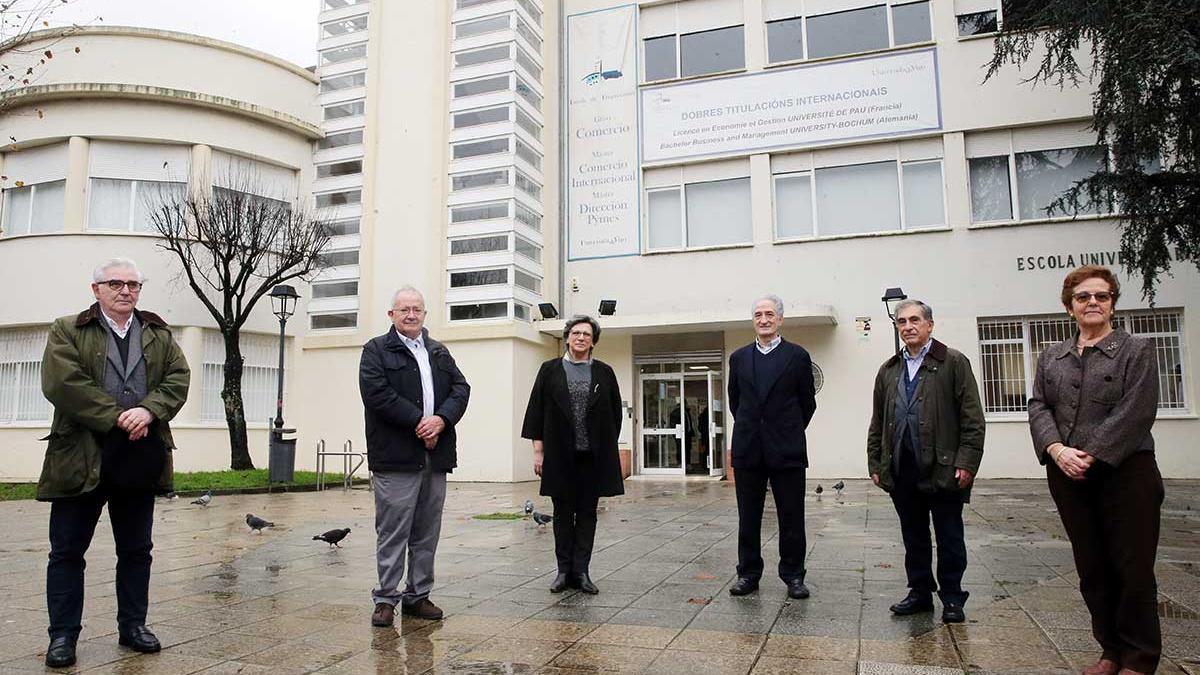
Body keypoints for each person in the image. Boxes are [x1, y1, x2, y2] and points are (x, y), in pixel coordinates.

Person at [38, 258, 190, 668]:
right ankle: (63, 637)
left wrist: (149, 410)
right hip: (81, 458)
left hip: (140, 456)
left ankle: (133, 626)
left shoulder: (157, 332)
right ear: (96, 289)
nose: (126, 291)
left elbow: (178, 378)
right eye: (116, 283)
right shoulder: (67, 328)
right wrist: (117, 416)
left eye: (133, 284)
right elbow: (62, 382)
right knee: (67, 551)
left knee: (137, 550)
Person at [1028, 265, 1163, 675]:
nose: (1092, 303)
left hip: (1126, 473)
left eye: (1101, 296)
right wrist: (1055, 449)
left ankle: (1139, 657)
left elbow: (1137, 411)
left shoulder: (1136, 351)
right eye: (1083, 297)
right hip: (1068, 476)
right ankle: (1110, 651)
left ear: (1112, 304)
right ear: (1069, 307)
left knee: (1132, 567)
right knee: (1092, 567)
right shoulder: (1053, 356)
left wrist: (1086, 453)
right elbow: (1039, 405)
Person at [866, 299, 985, 624]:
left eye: (915, 320)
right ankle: (919, 592)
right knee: (913, 536)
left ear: (929, 324)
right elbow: (878, 421)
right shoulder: (889, 370)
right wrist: (875, 464)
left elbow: (972, 419)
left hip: (944, 468)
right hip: (902, 469)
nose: (908, 327)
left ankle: (951, 597)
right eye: (902, 322)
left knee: (949, 536)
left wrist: (967, 462)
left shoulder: (953, 363)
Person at [359, 286, 470, 626]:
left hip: (434, 459)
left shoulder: (438, 352)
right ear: (391, 315)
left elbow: (460, 388)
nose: (411, 315)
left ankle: (417, 596)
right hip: (395, 457)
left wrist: (442, 419)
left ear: (424, 314)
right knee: (393, 530)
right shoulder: (376, 350)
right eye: (404, 309)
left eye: (417, 309)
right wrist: (420, 423)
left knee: (426, 531)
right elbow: (377, 393)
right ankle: (386, 599)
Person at [522, 315, 624, 594]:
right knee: (563, 514)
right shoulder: (549, 370)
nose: (581, 338)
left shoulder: (604, 372)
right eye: (576, 333)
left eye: (587, 334)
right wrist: (538, 452)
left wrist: (604, 447)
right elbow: (536, 412)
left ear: (594, 341)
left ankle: (582, 572)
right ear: (567, 337)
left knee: (588, 514)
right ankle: (563, 571)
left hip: (591, 458)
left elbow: (615, 414)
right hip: (559, 456)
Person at [727, 295, 817, 599]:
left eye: (769, 314)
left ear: (780, 319)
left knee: (791, 516)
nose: (763, 319)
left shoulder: (798, 356)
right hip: (749, 448)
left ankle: (793, 575)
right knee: (747, 516)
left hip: (787, 449)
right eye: (757, 314)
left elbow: (807, 403)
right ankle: (748, 573)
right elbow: (735, 402)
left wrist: (786, 429)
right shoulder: (738, 358)